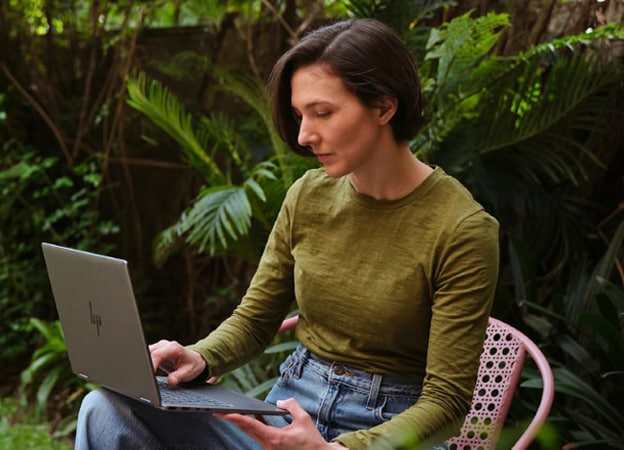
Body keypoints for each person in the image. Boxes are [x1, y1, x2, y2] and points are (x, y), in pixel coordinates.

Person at [74, 17, 499, 450]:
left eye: (323, 113)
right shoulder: (308, 196)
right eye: (299, 115)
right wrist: (201, 357)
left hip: (389, 427)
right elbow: (255, 320)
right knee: (108, 410)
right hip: (287, 415)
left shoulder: (462, 230)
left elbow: (447, 401)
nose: (304, 135)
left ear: (384, 108)